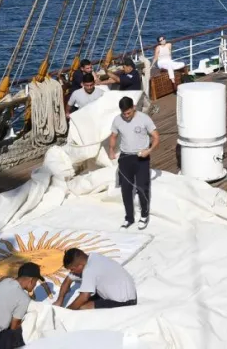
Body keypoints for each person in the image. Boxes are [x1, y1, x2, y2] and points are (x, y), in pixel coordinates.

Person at [107, 96, 159, 230]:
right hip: (125, 157)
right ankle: (129, 218)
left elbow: (156, 137)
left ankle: (144, 215)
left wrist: (149, 150)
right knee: (126, 190)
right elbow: (113, 136)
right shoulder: (117, 120)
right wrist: (111, 150)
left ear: (134, 107)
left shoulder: (144, 119)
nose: (126, 116)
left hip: (141, 157)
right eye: (124, 113)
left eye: (128, 113)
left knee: (142, 187)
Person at [56, 248, 138, 310]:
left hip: (125, 301)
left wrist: (67, 311)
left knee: (81, 307)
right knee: (79, 302)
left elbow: (84, 297)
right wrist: (59, 301)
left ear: (80, 266)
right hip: (122, 292)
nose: (71, 272)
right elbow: (68, 280)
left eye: (72, 269)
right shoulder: (92, 257)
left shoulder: (89, 269)